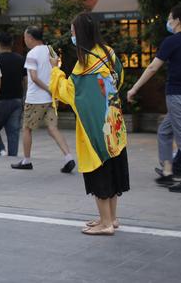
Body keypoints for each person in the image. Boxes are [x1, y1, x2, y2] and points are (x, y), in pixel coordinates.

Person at [50, 13, 129, 235]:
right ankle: (110, 219)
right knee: (113, 170)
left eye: (73, 31)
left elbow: (69, 94)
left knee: (99, 173)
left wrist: (55, 70)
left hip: (94, 129)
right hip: (113, 124)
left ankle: (105, 225)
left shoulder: (83, 64)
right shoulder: (109, 53)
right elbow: (119, 80)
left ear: (81, 33)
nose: (71, 35)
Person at [127, 5, 181, 193]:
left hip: (177, 95)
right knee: (164, 130)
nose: (168, 21)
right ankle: (168, 171)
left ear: (177, 20)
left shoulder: (172, 41)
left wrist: (134, 88)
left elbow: (153, 68)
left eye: (170, 17)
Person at [11, 26, 75, 172]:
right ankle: (68, 157)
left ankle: (26, 160)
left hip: (35, 99)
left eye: (25, 37)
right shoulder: (50, 49)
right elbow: (57, 66)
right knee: (53, 128)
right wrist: (52, 90)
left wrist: (47, 88)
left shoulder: (32, 54)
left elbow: (33, 77)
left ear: (31, 38)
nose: (25, 40)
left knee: (27, 128)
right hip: (51, 99)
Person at [0, 32, 26, 156]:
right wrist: (24, 96)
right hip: (16, 100)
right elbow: (26, 80)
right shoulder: (20, 59)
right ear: (12, 44)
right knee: (13, 132)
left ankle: (1, 149)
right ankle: (12, 156)